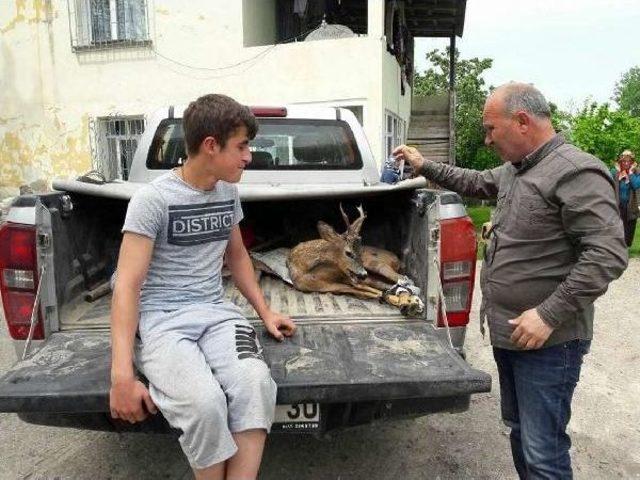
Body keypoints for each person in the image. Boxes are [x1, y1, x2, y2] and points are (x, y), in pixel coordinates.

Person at [394, 82, 628, 479]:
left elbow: (607, 254)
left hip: (549, 342)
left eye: (490, 129)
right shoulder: (516, 170)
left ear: (522, 122)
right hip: (513, 335)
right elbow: (472, 181)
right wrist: (425, 165)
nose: (486, 140)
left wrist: (549, 315)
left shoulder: (575, 172)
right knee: (522, 436)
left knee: (543, 453)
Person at [109, 94, 296, 480]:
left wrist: (266, 311)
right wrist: (122, 377)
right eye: (242, 146)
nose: (249, 156)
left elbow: (239, 257)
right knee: (205, 404)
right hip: (162, 321)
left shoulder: (227, 191)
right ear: (211, 145)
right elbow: (126, 285)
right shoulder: (152, 200)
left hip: (216, 313)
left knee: (255, 385)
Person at [611, 149, 640, 246]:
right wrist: (618, 176)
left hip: (631, 207)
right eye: (624, 161)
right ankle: (619, 248)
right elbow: (609, 183)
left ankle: (627, 247)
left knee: (629, 231)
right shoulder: (615, 172)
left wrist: (630, 174)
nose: (626, 163)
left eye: (629, 161)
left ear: (632, 162)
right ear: (620, 162)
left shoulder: (637, 172)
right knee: (618, 229)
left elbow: (636, 185)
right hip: (618, 206)